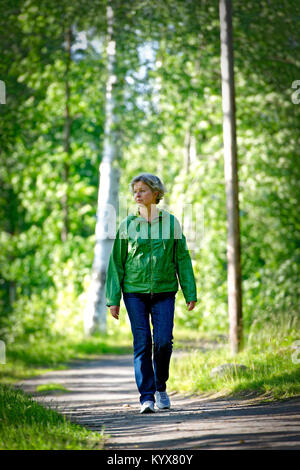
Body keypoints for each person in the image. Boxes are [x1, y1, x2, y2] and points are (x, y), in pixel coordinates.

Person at [106, 173, 197, 414]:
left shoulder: (171, 223)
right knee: (143, 343)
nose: (137, 195)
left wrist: (190, 291)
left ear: (155, 194)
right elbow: (116, 263)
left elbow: (182, 258)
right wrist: (113, 299)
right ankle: (146, 397)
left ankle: (160, 387)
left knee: (164, 342)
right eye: (135, 191)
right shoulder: (127, 225)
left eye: (142, 190)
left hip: (165, 290)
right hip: (134, 292)